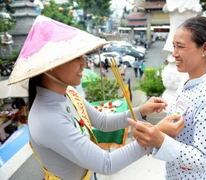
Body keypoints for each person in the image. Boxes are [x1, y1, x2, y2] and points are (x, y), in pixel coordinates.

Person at [8, 16, 185, 180]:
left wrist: (141, 111)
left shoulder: (69, 93)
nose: (84, 63)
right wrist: (155, 135)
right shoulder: (47, 118)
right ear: (50, 66)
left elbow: (102, 122)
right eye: (76, 57)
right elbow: (106, 164)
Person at [127, 16, 206, 179]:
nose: (174, 54)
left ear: (204, 48)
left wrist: (159, 140)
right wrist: (155, 132)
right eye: (174, 46)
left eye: (180, 47)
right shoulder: (186, 82)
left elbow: (204, 159)